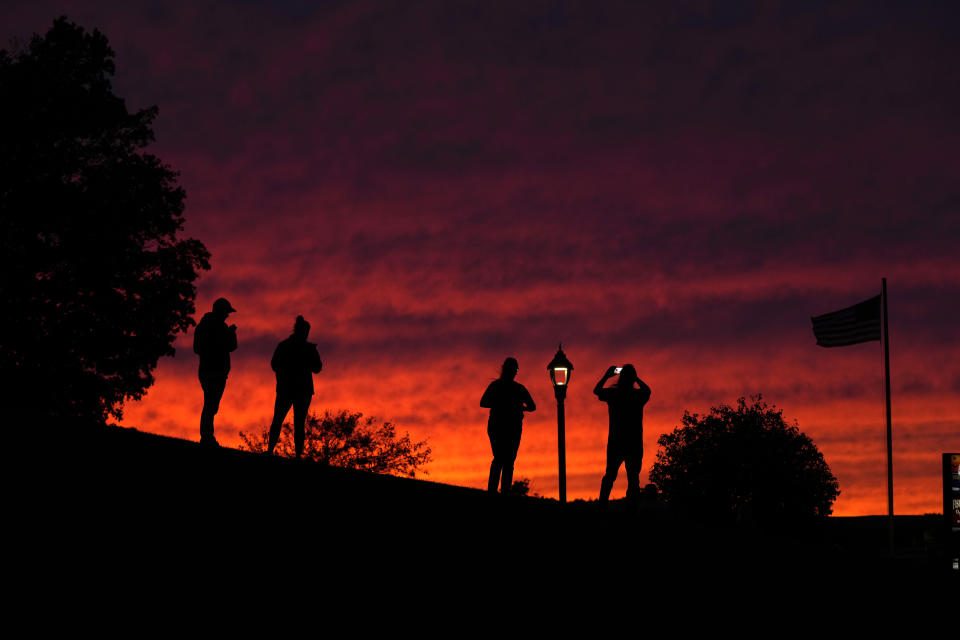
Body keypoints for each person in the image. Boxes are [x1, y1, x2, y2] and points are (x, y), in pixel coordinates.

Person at [267, 315, 323, 458]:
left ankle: (272, 451)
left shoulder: (285, 345)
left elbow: (274, 364)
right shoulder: (305, 348)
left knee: (282, 420)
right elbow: (317, 368)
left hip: (290, 389)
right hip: (298, 390)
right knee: (295, 422)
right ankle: (295, 455)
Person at [594, 364, 651, 507]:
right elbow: (648, 391)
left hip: (616, 442)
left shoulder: (614, 394)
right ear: (632, 378)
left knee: (610, 476)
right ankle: (632, 508)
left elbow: (597, 391)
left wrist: (607, 375)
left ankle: (602, 506)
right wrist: (635, 377)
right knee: (633, 478)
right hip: (634, 442)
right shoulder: (637, 396)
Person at [480, 357, 536, 494]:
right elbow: (483, 402)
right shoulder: (499, 386)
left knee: (507, 460)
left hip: (512, 427)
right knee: (501, 458)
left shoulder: (517, 388)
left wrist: (519, 408)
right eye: (513, 369)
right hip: (499, 426)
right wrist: (504, 404)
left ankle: (503, 490)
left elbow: (532, 406)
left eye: (515, 370)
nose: (514, 372)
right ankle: (495, 490)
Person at [193, 297, 238, 447]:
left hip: (218, 372)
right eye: (226, 312)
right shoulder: (206, 326)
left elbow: (232, 346)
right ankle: (206, 437)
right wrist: (225, 336)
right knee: (210, 404)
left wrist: (230, 334)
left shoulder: (221, 327)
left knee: (212, 405)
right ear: (221, 311)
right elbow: (198, 348)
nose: (227, 315)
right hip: (210, 371)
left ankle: (207, 436)